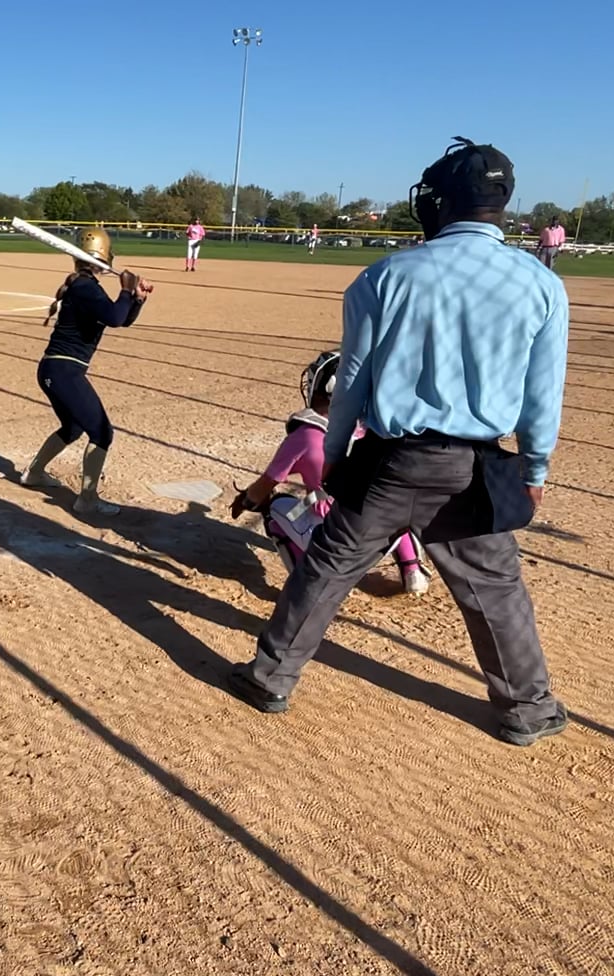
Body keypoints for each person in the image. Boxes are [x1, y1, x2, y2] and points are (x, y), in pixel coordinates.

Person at [224, 137, 570, 749]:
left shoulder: (385, 275)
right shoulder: (540, 284)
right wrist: (535, 471)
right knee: (495, 589)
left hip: (390, 462)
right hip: (473, 468)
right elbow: (542, 396)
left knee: (327, 568)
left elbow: (350, 382)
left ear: (441, 201)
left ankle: (269, 677)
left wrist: (334, 455)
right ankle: (528, 707)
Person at [231, 349, 430, 595]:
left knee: (277, 505)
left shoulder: (304, 436)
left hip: (335, 538)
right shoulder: (374, 427)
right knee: (395, 497)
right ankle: (412, 571)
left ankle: (306, 584)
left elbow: (262, 488)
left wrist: (248, 500)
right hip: (382, 534)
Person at [17, 227, 151, 515]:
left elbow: (121, 318)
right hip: (64, 371)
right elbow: (114, 317)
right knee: (102, 432)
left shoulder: (86, 286)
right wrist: (125, 290)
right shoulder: (86, 287)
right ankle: (87, 499)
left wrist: (136, 299)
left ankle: (34, 474)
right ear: (103, 257)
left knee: (73, 427)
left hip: (57, 370)